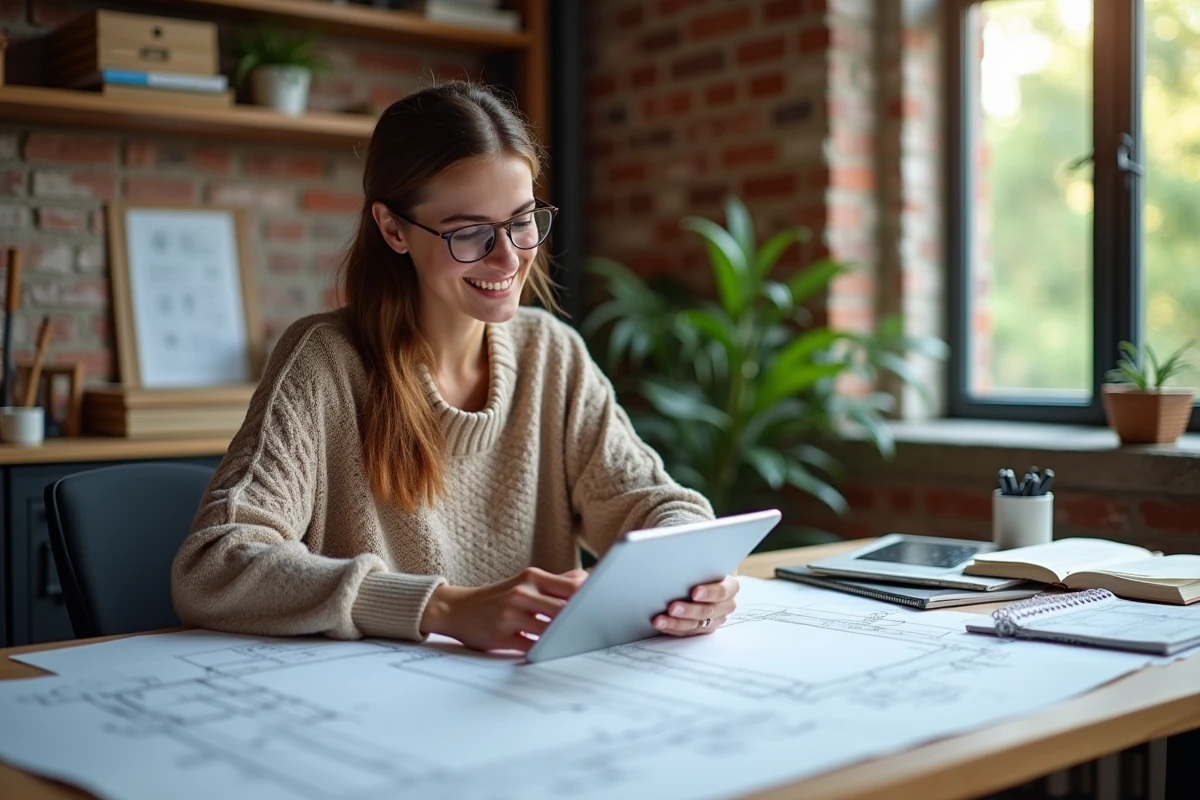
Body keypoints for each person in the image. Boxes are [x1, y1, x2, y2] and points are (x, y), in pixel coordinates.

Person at [171, 81, 739, 654]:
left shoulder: (551, 352)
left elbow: (657, 503)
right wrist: (441, 608)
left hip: (529, 703)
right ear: (394, 229)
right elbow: (214, 563)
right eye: (470, 232)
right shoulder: (325, 362)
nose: (509, 256)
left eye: (522, 221)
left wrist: (692, 572)